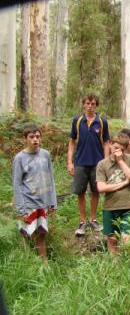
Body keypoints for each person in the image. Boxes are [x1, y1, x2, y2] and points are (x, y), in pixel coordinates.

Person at [12, 124, 57, 262]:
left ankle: (44, 264)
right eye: (31, 137)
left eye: (37, 136)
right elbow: (17, 184)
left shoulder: (45, 155)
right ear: (25, 138)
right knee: (26, 234)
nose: (35, 140)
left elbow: (50, 178)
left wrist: (52, 202)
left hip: (42, 202)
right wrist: (21, 209)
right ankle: (26, 264)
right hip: (27, 203)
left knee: (41, 234)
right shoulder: (19, 158)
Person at [67, 93, 110, 236]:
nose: (90, 106)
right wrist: (70, 162)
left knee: (95, 191)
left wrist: (106, 162)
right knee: (80, 192)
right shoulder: (77, 121)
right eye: (87, 103)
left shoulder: (102, 122)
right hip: (80, 162)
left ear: (96, 105)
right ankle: (82, 221)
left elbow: (106, 143)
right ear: (83, 104)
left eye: (93, 104)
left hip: (97, 163)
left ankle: (93, 219)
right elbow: (72, 142)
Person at [96, 134, 130, 254]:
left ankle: (129, 266)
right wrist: (124, 183)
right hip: (110, 206)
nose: (117, 151)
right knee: (111, 239)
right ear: (110, 144)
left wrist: (120, 161)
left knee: (127, 240)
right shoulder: (102, 164)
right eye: (115, 147)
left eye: (121, 149)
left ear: (125, 149)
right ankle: (114, 267)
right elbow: (101, 187)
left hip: (128, 205)